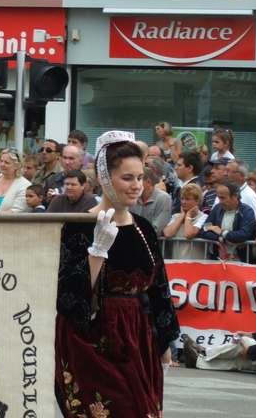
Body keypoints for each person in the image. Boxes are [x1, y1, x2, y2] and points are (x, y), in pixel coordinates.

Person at [55, 131, 179, 417]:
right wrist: (97, 250)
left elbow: (159, 288)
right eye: (127, 178)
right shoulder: (78, 227)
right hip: (92, 337)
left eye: (139, 178)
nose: (136, 186)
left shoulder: (144, 228)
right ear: (104, 178)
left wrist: (164, 343)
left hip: (137, 334)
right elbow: (71, 298)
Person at [183, 274, 256, 378]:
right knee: (240, 359)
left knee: (242, 342)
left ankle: (204, 352)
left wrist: (251, 351)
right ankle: (197, 362)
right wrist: (253, 336)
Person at [198, 179, 256, 261]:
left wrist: (221, 232)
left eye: (223, 198)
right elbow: (204, 231)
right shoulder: (217, 209)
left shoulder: (246, 211)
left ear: (235, 196)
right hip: (219, 259)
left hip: (240, 261)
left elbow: (244, 234)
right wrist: (222, 239)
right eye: (218, 198)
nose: (220, 201)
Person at [162, 183, 208, 259]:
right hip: (177, 262)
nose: (183, 202)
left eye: (187, 199)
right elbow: (167, 233)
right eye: (182, 198)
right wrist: (182, 216)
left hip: (196, 263)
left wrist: (188, 216)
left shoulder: (204, 217)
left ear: (197, 201)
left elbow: (189, 234)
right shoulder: (176, 216)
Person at [132, 166, 173, 235]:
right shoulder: (133, 197)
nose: (134, 184)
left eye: (138, 179)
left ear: (148, 182)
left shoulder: (163, 198)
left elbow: (156, 230)